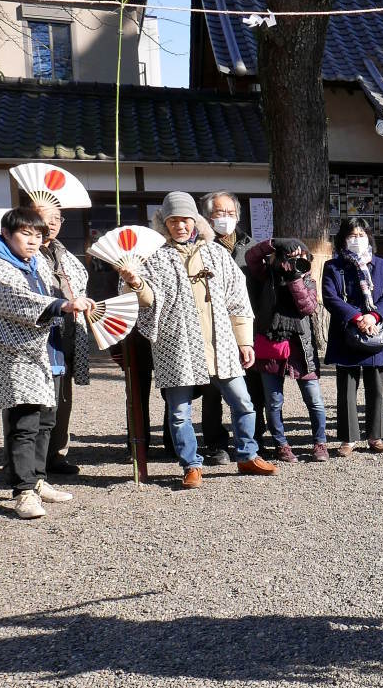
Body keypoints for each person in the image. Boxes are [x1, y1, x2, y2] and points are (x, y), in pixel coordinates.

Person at [119, 191, 277, 488]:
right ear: (164, 223)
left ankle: (247, 454)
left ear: (196, 221)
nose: (181, 226)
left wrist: (244, 341)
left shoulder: (215, 252)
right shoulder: (152, 257)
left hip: (221, 343)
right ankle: (191, 464)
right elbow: (145, 302)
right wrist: (135, 282)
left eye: (186, 220)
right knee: (179, 412)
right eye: (174, 220)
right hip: (176, 342)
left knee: (243, 401)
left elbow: (237, 298)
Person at [0, 208, 96, 518]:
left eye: (38, 235)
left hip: (46, 353)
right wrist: (62, 303)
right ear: (8, 235)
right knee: (23, 423)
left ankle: (38, 481)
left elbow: (60, 291)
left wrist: (72, 297)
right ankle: (23, 491)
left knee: (45, 421)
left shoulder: (37, 266)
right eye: (26, 234)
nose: (33, 241)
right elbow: (16, 301)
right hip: (16, 358)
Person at [246, 238, 328, 462]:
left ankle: (320, 443)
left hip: (301, 346)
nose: (296, 261)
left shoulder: (308, 281)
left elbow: (308, 307)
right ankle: (281, 444)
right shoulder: (268, 275)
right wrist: (276, 244)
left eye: (301, 257)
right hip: (272, 344)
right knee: (273, 401)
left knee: (314, 400)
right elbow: (251, 257)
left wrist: (295, 278)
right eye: (291, 257)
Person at [322, 218, 383, 455]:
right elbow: (330, 297)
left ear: (369, 237)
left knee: (376, 386)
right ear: (343, 238)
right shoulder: (333, 266)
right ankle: (348, 438)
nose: (357, 239)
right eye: (352, 235)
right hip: (347, 331)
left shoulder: (382, 265)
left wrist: (373, 317)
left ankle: (375, 436)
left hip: (375, 332)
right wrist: (357, 317)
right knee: (346, 387)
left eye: (361, 234)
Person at [27, 197, 91, 476]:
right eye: (45, 217)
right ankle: (29, 461)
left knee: (63, 396)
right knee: (37, 397)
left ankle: (56, 453)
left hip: (68, 332)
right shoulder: (23, 253)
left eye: (57, 218)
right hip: (38, 336)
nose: (52, 223)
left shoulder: (64, 253)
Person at [197, 190, 261, 464]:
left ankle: (251, 441)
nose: (225, 219)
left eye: (230, 214)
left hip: (247, 325)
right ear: (206, 217)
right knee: (212, 393)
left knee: (250, 389)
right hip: (210, 329)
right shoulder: (199, 248)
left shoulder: (251, 246)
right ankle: (215, 443)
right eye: (219, 214)